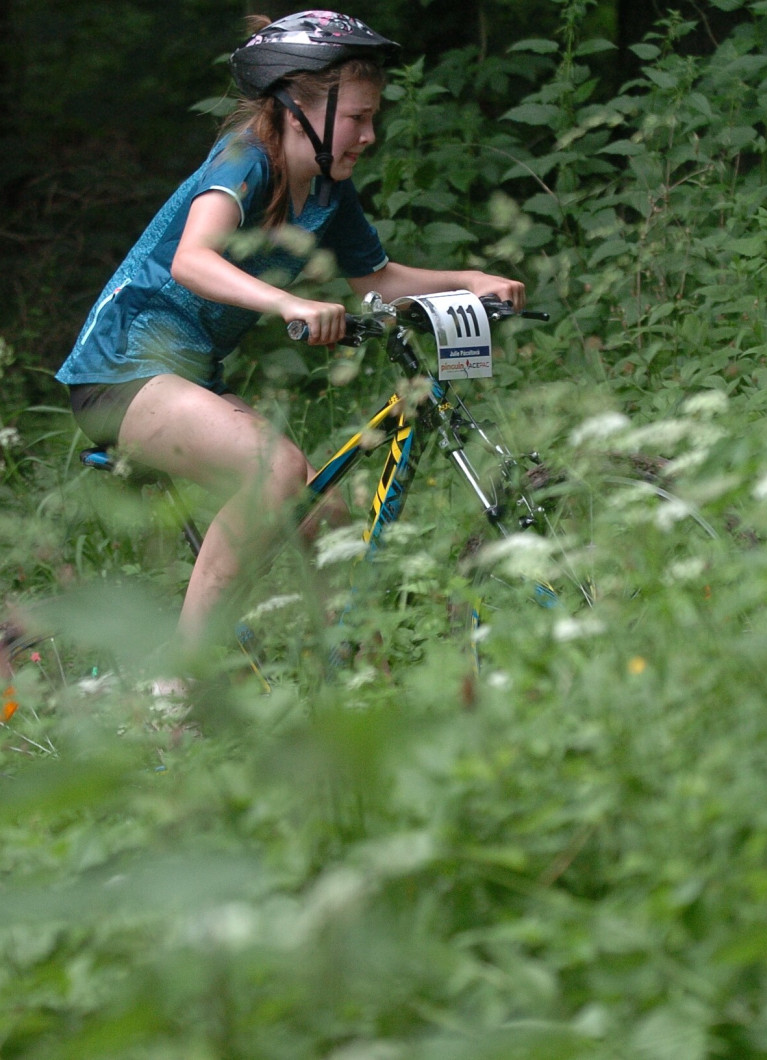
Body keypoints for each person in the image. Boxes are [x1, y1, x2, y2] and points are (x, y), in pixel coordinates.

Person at [56, 10, 524, 662]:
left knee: (320, 512)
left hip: (191, 383)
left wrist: (467, 280)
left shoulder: (328, 190)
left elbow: (377, 278)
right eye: (357, 117)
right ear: (298, 111)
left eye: (374, 117)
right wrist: (288, 303)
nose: (370, 134)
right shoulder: (244, 158)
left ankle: (347, 674)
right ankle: (182, 677)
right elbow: (193, 258)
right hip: (119, 375)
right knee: (271, 471)